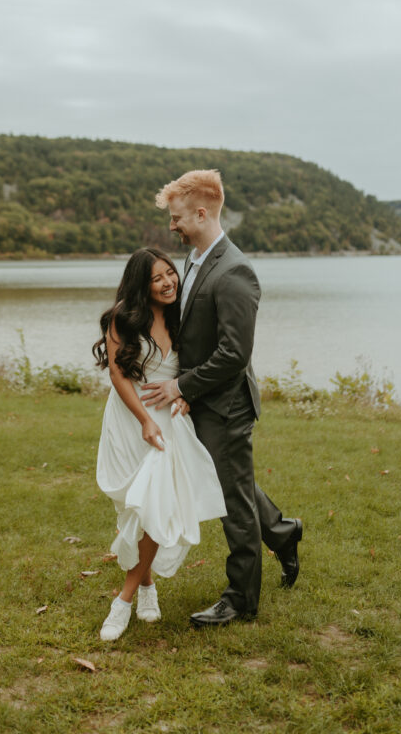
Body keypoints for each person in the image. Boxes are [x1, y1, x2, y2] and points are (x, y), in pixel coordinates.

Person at [141, 169, 303, 627]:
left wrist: (181, 386)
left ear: (201, 212)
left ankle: (241, 599)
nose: (172, 226)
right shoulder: (194, 260)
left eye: (177, 218)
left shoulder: (235, 271)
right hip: (202, 400)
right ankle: (283, 533)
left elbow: (234, 354)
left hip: (226, 404)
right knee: (232, 480)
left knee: (232, 500)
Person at [93, 247, 226, 641]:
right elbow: (118, 377)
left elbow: (196, 368)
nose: (168, 282)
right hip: (130, 419)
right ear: (142, 284)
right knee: (133, 508)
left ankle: (124, 601)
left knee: (156, 504)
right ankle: (148, 586)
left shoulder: (183, 316)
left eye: (171, 273)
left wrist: (187, 394)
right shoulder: (123, 318)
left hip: (171, 425)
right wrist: (145, 420)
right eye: (157, 278)